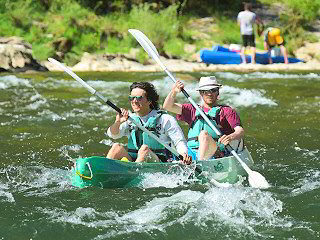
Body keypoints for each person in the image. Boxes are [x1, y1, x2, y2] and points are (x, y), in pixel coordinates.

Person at [106, 81, 191, 164]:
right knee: (116, 147)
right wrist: (117, 122)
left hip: (158, 163)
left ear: (149, 100)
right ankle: (100, 173)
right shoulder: (129, 119)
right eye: (131, 98)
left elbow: (179, 141)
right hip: (134, 161)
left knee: (144, 150)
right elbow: (113, 134)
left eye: (139, 98)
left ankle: (132, 173)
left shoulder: (165, 119)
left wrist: (183, 153)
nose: (134, 101)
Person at [163, 76, 245, 160]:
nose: (209, 94)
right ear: (201, 93)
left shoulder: (227, 111)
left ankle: (200, 164)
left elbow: (240, 131)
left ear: (218, 92)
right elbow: (167, 106)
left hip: (215, 151)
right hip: (193, 151)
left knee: (203, 135)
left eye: (213, 90)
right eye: (206, 91)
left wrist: (230, 137)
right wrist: (173, 92)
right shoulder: (192, 109)